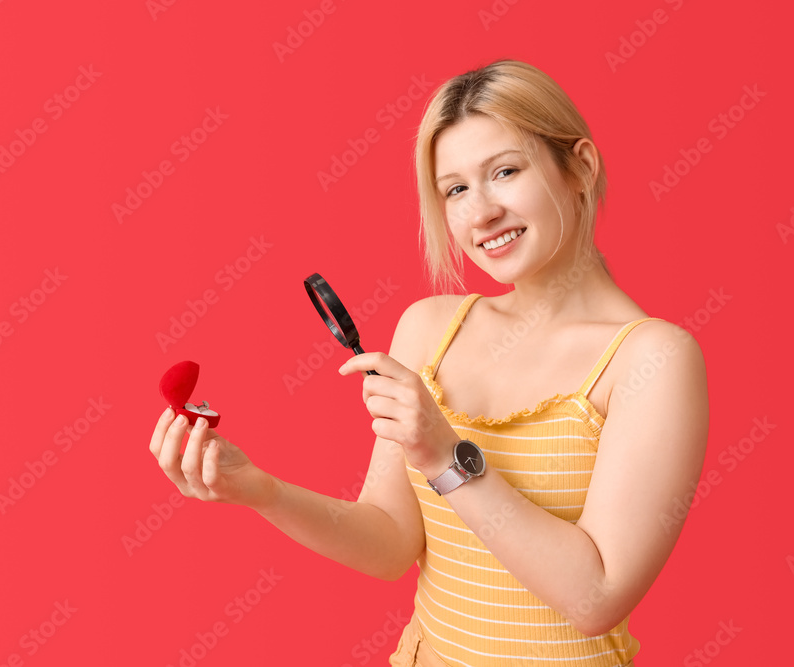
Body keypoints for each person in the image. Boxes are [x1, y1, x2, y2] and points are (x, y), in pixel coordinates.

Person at [149, 59, 709, 667]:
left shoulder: (653, 359)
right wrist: (259, 490)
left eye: (505, 171)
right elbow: (391, 544)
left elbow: (595, 597)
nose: (481, 213)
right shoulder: (430, 328)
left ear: (580, 165)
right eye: (456, 189)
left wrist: (446, 456)